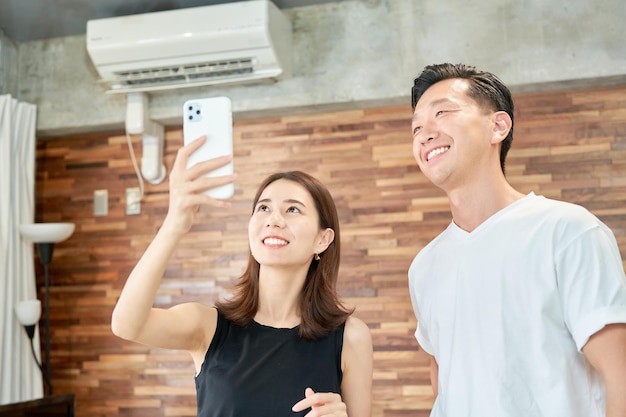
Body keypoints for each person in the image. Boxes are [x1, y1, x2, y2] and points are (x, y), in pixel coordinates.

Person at [408, 63, 626, 417]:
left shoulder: (567, 231)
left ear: (498, 126)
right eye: (416, 127)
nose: (424, 133)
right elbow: (445, 383)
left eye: (442, 113)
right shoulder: (424, 267)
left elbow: (620, 378)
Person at [111, 136, 373, 417]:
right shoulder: (208, 327)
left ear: (323, 239)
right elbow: (127, 325)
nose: (274, 219)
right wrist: (175, 223)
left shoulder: (350, 337)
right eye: (264, 208)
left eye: (292, 209)